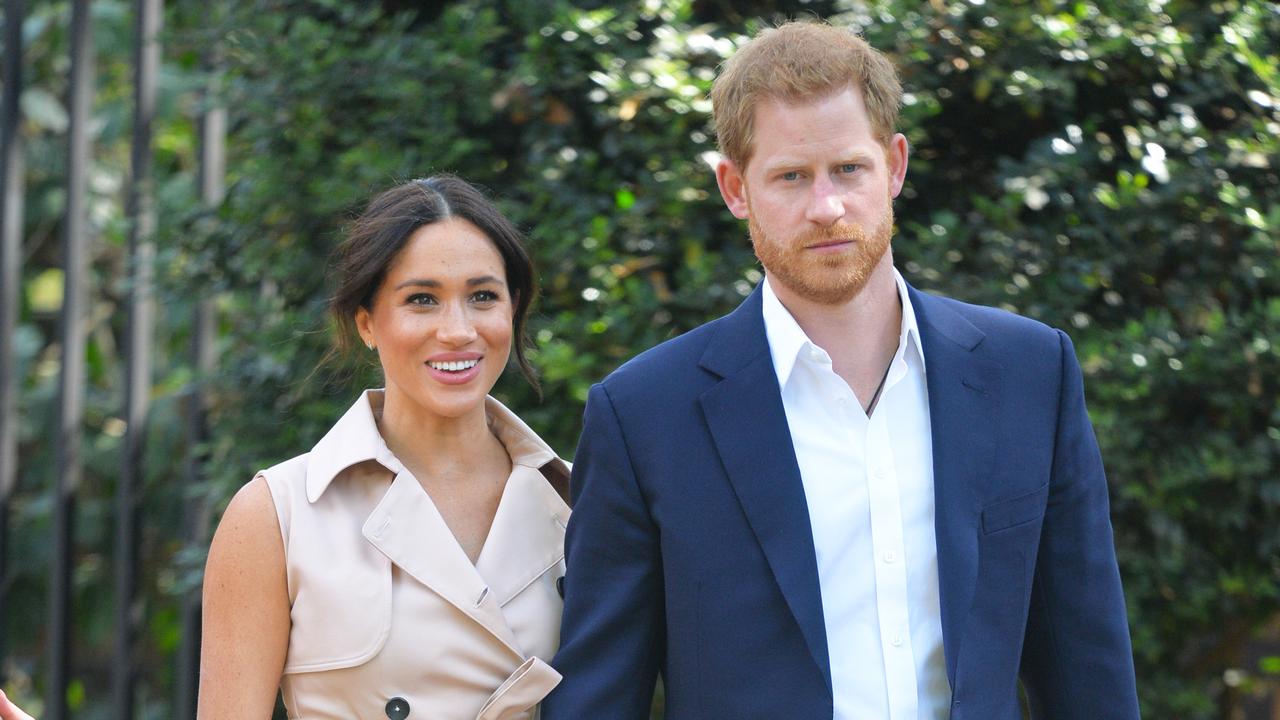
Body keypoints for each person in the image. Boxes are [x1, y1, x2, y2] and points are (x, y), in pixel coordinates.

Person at [543, 20, 1139, 720]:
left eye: (849, 170)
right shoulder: (643, 414)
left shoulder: (1031, 371)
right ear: (735, 188)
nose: (826, 208)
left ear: (894, 165)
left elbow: (1088, 667)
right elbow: (598, 697)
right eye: (791, 176)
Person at [198, 176, 571, 719]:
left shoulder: (582, 500)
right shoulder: (278, 514)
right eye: (422, 299)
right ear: (368, 322)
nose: (458, 330)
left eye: (483, 297)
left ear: (512, 311)